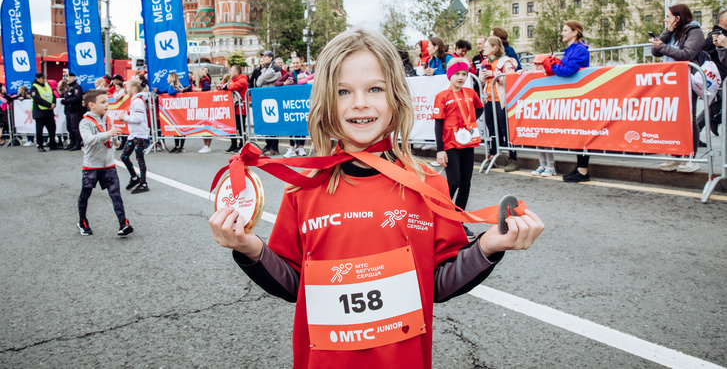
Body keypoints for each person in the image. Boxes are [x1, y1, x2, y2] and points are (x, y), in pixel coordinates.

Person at [209, 28, 544, 368]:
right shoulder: (303, 187)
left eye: (375, 89)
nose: (359, 103)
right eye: (343, 91)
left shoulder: (426, 184)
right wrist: (250, 248)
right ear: (325, 101)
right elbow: (295, 283)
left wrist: (489, 245)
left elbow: (439, 283)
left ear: (396, 98)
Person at [649, 4, 704, 173]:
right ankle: (675, 157)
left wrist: (662, 46)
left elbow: (686, 54)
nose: (665, 19)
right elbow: (655, 51)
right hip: (671, 80)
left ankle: (690, 158)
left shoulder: (694, 32)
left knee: (689, 118)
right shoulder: (673, 32)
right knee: (672, 119)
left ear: (677, 18)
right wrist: (666, 32)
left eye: (668, 16)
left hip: (687, 79)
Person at [434, 57, 484, 239]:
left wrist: (470, 121)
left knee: (465, 184)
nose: (461, 77)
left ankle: (459, 222)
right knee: (453, 182)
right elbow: (438, 125)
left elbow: (480, 108)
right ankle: (440, 214)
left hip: (467, 142)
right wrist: (440, 150)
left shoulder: (471, 93)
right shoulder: (442, 97)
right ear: (450, 76)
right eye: (456, 74)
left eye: (464, 74)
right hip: (449, 144)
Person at [77, 89, 133, 236]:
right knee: (85, 195)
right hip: (91, 166)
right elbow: (88, 140)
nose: (107, 105)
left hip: (108, 164)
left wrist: (115, 140)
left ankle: (123, 224)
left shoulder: (109, 120)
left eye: (107, 102)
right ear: (91, 105)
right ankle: (82, 221)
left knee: (116, 195)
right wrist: (108, 134)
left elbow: (112, 140)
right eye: (102, 102)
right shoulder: (85, 122)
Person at [542, 20, 591, 182]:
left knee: (582, 133)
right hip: (573, 94)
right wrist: (556, 63)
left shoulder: (580, 50)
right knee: (578, 133)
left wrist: (553, 67)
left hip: (580, 94)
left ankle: (583, 171)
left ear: (575, 32)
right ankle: (580, 168)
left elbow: (568, 70)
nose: (562, 33)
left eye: (565, 30)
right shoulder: (571, 49)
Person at [479, 36, 519, 172]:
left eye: (486, 46)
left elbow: (511, 79)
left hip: (501, 100)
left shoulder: (505, 61)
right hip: (488, 99)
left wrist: (494, 74)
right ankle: (492, 157)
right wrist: (482, 78)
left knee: (505, 129)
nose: (484, 48)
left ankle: (512, 158)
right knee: (491, 129)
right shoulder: (484, 61)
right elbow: (480, 81)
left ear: (494, 48)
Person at [698, 9, 727, 138]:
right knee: (716, 104)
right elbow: (704, 52)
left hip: (722, 75)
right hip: (719, 76)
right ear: (721, 20)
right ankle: (710, 123)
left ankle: (699, 128)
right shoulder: (715, 35)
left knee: (716, 105)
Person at [526, 55, 556, 177]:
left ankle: (551, 166)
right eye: (535, 64)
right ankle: (542, 164)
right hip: (537, 111)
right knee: (538, 140)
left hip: (547, 111)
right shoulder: (532, 75)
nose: (536, 66)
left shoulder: (551, 75)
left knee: (546, 140)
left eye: (539, 64)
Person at [121, 78, 150, 194]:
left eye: (127, 87)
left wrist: (124, 118)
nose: (126, 89)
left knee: (140, 159)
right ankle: (134, 177)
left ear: (133, 89)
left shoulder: (138, 101)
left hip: (140, 134)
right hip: (134, 134)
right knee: (124, 156)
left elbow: (139, 118)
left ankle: (143, 183)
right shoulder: (135, 100)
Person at [276, 56, 308, 158]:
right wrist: (284, 83)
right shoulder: (288, 74)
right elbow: (276, 83)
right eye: (293, 63)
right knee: (291, 126)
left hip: (302, 103)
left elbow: (312, 81)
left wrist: (305, 80)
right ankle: (292, 148)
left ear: (300, 63)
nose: (295, 64)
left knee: (302, 125)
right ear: (291, 64)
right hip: (290, 104)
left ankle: (301, 147)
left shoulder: (305, 73)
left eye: (297, 62)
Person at [257, 50, 282, 155]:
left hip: (273, 97)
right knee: (266, 121)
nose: (263, 58)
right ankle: (268, 144)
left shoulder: (274, 67)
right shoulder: (266, 68)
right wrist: (261, 78)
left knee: (273, 121)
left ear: (271, 58)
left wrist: (261, 79)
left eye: (265, 56)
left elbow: (261, 79)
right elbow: (258, 82)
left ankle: (274, 146)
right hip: (265, 97)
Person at [220, 65, 249, 153]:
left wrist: (226, 85)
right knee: (232, 127)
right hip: (233, 108)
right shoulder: (233, 81)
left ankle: (242, 145)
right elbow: (224, 86)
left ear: (236, 72)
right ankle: (233, 145)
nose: (230, 72)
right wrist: (225, 86)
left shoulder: (243, 80)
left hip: (241, 108)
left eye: (231, 71)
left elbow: (232, 87)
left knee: (241, 128)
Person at [155, 72, 185, 153]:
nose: (167, 79)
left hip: (179, 109)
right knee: (176, 128)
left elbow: (171, 93)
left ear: (172, 78)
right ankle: (176, 145)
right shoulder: (170, 86)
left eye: (168, 77)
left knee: (181, 127)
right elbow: (163, 91)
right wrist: (157, 91)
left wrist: (174, 88)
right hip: (174, 110)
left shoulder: (176, 86)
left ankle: (181, 146)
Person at [30, 73, 60, 152]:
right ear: (38, 79)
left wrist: (53, 103)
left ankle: (53, 144)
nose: (44, 80)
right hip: (40, 112)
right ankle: (40, 145)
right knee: (40, 130)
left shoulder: (47, 85)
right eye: (42, 78)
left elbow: (53, 95)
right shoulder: (34, 87)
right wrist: (49, 105)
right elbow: (37, 99)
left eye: (45, 78)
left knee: (52, 128)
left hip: (49, 112)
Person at [61, 72, 84, 151]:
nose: (69, 78)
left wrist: (67, 101)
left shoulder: (77, 87)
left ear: (74, 78)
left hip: (75, 110)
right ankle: (72, 142)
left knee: (75, 127)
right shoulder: (68, 88)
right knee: (69, 127)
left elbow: (77, 98)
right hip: (68, 110)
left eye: (70, 77)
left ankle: (77, 143)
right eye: (68, 77)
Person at [192, 68, 213, 153]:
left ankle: (208, 145)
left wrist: (198, 90)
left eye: (193, 75)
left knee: (207, 126)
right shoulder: (195, 82)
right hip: (200, 106)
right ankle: (205, 145)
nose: (192, 76)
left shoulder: (204, 81)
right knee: (203, 126)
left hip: (206, 105)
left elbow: (207, 88)